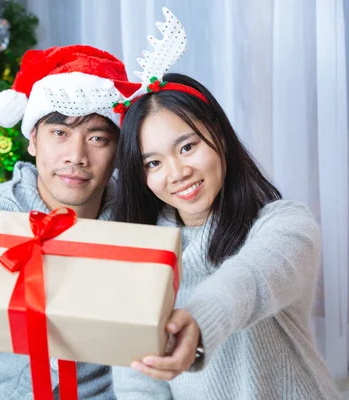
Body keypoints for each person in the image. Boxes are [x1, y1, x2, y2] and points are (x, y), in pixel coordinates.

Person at [110, 7, 341, 400]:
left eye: (187, 146)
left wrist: (196, 323)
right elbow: (138, 382)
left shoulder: (285, 225)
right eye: (153, 162)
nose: (177, 171)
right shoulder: (139, 255)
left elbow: (250, 280)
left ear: (217, 136)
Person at [0, 45, 141, 399]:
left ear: (118, 151)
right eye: (60, 134)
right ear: (33, 140)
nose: (76, 157)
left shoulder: (138, 221)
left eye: (97, 138)